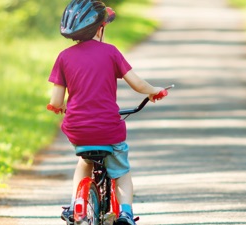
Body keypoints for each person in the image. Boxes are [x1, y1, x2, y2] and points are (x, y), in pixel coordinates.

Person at [47, 1, 167, 224]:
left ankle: (76, 205)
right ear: (100, 28)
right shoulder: (111, 52)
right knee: (121, 171)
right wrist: (154, 92)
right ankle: (126, 213)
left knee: (85, 161)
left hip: (78, 129)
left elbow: (55, 100)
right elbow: (138, 84)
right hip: (108, 129)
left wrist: (59, 107)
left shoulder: (64, 57)